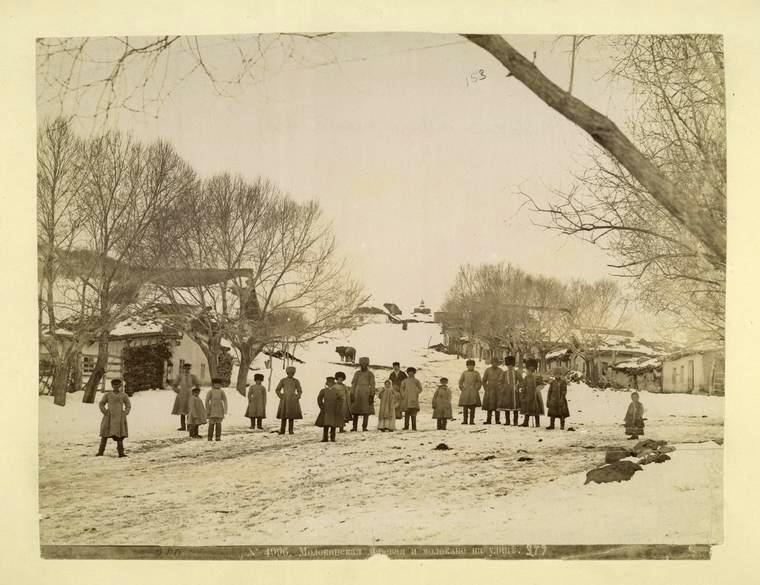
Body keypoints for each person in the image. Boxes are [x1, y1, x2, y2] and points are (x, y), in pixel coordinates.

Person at [96, 378, 131, 457]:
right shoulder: (108, 395)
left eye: (117, 385)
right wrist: (105, 412)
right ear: (112, 385)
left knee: (119, 436)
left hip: (119, 418)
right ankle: (100, 452)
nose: (116, 386)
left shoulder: (123, 395)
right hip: (109, 417)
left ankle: (121, 453)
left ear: (120, 386)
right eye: (114, 385)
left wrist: (125, 412)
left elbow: (128, 405)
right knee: (105, 434)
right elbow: (101, 403)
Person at [171, 363, 200, 431]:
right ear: (183, 369)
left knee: (190, 411)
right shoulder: (180, 376)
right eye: (185, 368)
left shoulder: (192, 376)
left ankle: (189, 426)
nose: (186, 370)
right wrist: (178, 391)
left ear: (190, 369)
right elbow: (174, 385)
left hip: (190, 394)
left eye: (188, 369)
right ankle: (183, 426)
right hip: (182, 395)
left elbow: (197, 385)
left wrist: (196, 393)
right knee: (182, 411)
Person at [350, 357, 376, 431]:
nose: (363, 365)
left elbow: (373, 385)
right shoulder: (357, 373)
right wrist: (352, 393)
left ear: (367, 364)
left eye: (365, 364)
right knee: (355, 410)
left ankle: (364, 426)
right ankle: (354, 426)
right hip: (357, 393)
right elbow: (353, 384)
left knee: (366, 411)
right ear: (360, 364)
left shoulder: (370, 374)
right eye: (362, 364)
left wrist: (371, 395)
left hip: (366, 393)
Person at [275, 366, 303, 435]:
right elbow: (277, 389)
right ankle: (282, 430)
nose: (291, 374)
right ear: (287, 373)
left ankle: (291, 430)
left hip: (293, 400)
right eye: (289, 373)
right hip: (284, 400)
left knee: (291, 416)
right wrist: (281, 396)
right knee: (283, 416)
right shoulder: (283, 380)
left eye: (292, 373)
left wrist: (297, 396)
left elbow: (299, 390)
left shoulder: (296, 381)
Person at [315, 376, 343, 442]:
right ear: (327, 383)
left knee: (333, 424)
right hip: (326, 409)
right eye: (328, 383)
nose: (330, 384)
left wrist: (338, 406)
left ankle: (332, 438)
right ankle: (325, 438)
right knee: (326, 424)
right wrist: (321, 406)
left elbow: (341, 399)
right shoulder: (323, 391)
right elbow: (319, 399)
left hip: (334, 409)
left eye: (331, 383)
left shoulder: (336, 391)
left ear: (333, 384)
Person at [519, 358, 545, 427]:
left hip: (536, 395)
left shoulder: (538, 377)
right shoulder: (526, 377)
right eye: (529, 369)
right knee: (527, 409)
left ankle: (537, 423)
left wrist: (538, 388)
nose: (530, 370)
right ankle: (526, 422)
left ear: (534, 369)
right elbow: (524, 385)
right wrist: (523, 391)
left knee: (536, 409)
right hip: (528, 395)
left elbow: (542, 384)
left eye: (532, 369)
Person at [499, 356, 523, 426]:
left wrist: (518, 386)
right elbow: (500, 382)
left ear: (513, 365)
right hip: (506, 392)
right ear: (506, 366)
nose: (510, 367)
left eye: (511, 366)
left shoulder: (517, 373)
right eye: (508, 366)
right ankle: (507, 421)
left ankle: (515, 421)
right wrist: (503, 388)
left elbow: (521, 381)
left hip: (515, 391)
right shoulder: (504, 373)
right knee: (507, 407)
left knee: (515, 408)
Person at [458, 359, 482, 425]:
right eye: (469, 366)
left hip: (473, 392)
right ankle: (465, 420)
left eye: (472, 366)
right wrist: (462, 388)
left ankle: (472, 420)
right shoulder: (464, 373)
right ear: (467, 366)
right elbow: (461, 381)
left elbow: (479, 381)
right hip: (465, 392)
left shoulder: (476, 373)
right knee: (465, 407)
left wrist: (476, 388)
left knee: (473, 407)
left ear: (474, 366)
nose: (471, 367)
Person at [481, 357, 504, 424]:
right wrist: (486, 388)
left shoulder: (500, 371)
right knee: (489, 406)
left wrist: (501, 388)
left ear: (498, 363)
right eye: (493, 362)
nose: (495, 364)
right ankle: (488, 420)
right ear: (491, 363)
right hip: (490, 389)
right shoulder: (488, 370)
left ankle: (497, 420)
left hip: (497, 389)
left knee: (497, 405)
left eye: (496, 363)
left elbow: (503, 380)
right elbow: (484, 380)